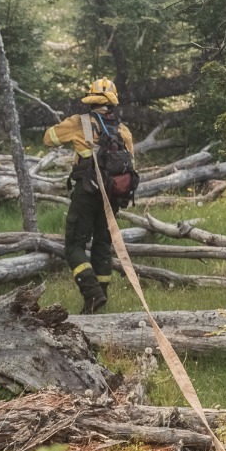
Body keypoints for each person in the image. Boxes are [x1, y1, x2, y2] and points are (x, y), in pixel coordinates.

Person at [42, 77, 135, 314]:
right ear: (112, 102)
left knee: (74, 245)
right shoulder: (123, 130)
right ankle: (100, 298)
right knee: (103, 244)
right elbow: (130, 163)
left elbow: (48, 138)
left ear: (90, 99)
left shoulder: (78, 122)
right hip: (112, 196)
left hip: (86, 192)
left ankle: (91, 293)